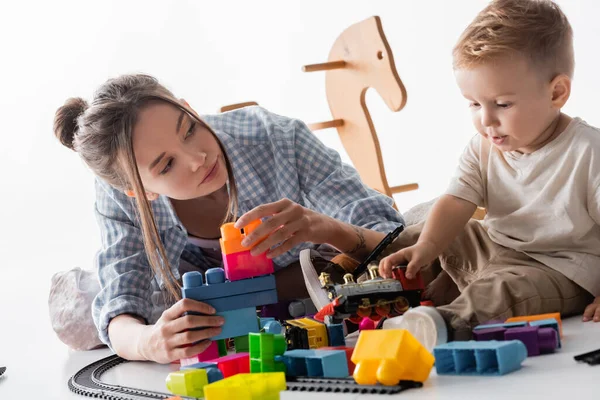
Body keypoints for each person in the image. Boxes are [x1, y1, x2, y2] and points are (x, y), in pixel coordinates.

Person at [52, 74, 403, 362]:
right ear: (140, 191)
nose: (198, 158)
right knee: (82, 316)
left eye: (189, 129)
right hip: (184, 303)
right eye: (167, 164)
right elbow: (121, 303)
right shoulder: (118, 195)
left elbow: (390, 239)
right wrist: (150, 343)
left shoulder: (277, 138)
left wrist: (326, 228)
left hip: (303, 290)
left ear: (190, 109)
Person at [379, 0, 600, 343]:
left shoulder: (588, 151)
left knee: (502, 291)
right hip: (495, 246)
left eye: (502, 104)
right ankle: (362, 291)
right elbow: (456, 202)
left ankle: (439, 324)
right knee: (427, 231)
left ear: (556, 93)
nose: (486, 120)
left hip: (559, 269)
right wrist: (428, 246)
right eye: (474, 103)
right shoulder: (484, 145)